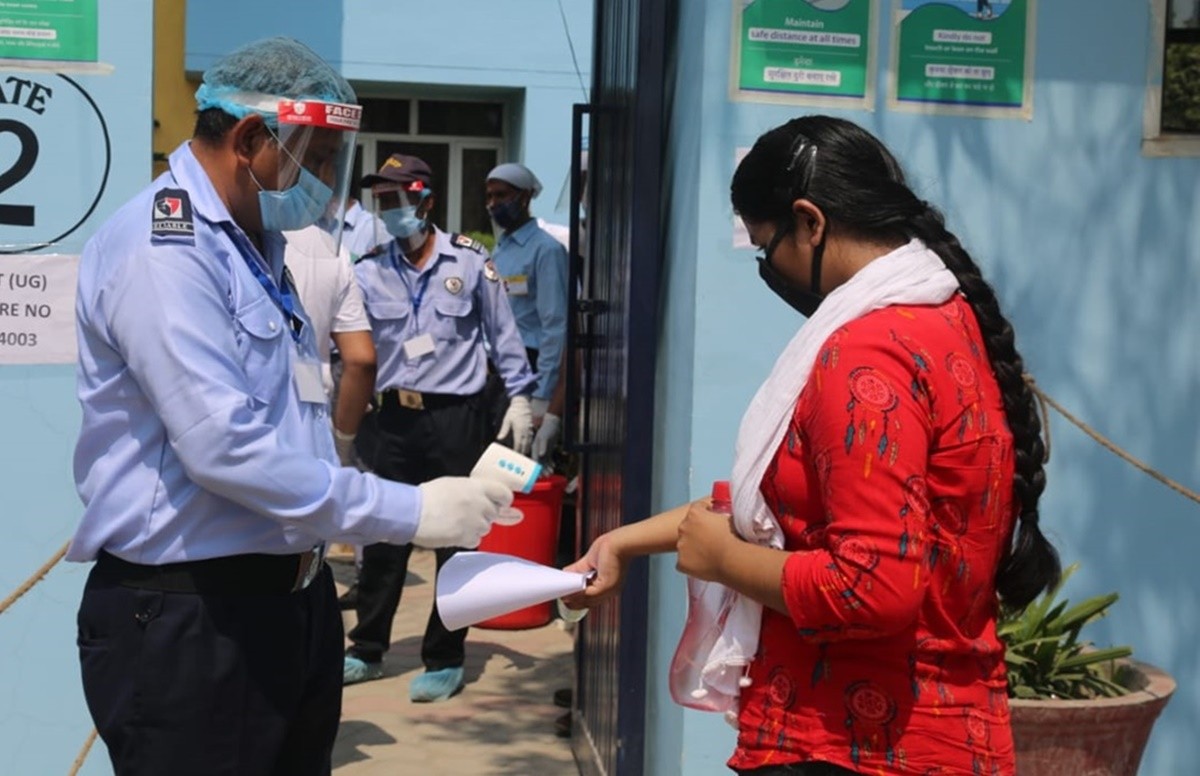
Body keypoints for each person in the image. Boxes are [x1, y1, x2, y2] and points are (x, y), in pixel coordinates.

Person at [68, 38, 515, 776]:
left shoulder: (256, 244)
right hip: (195, 616)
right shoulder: (165, 248)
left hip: (288, 602)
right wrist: (409, 510)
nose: (329, 183)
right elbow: (223, 448)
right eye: (321, 158)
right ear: (250, 139)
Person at [564, 115, 1061, 775]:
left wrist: (723, 561)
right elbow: (784, 508)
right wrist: (623, 542)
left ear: (810, 222)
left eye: (766, 247)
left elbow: (871, 588)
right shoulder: (947, 320)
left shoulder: (866, 356)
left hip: (853, 746)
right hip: (945, 734)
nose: (769, 270)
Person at [345, 153, 537, 700]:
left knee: (457, 539)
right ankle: (367, 648)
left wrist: (521, 399)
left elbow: (503, 335)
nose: (390, 209)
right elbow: (350, 349)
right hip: (393, 419)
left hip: (456, 418)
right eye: (382, 200)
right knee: (384, 533)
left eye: (398, 198)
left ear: (426, 201)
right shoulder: (368, 268)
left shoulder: (470, 262)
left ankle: (445, 656)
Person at [485, 163, 570, 461]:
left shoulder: (546, 250)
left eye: (501, 195)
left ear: (524, 197)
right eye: (489, 196)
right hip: (500, 371)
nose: (493, 204)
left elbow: (554, 326)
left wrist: (543, 396)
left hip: (530, 369)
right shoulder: (502, 249)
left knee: (515, 462)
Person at [283, 224, 376, 466]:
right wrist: (341, 445)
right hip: (314, 419)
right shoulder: (329, 247)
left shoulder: (220, 234)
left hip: (249, 430)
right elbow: (361, 360)